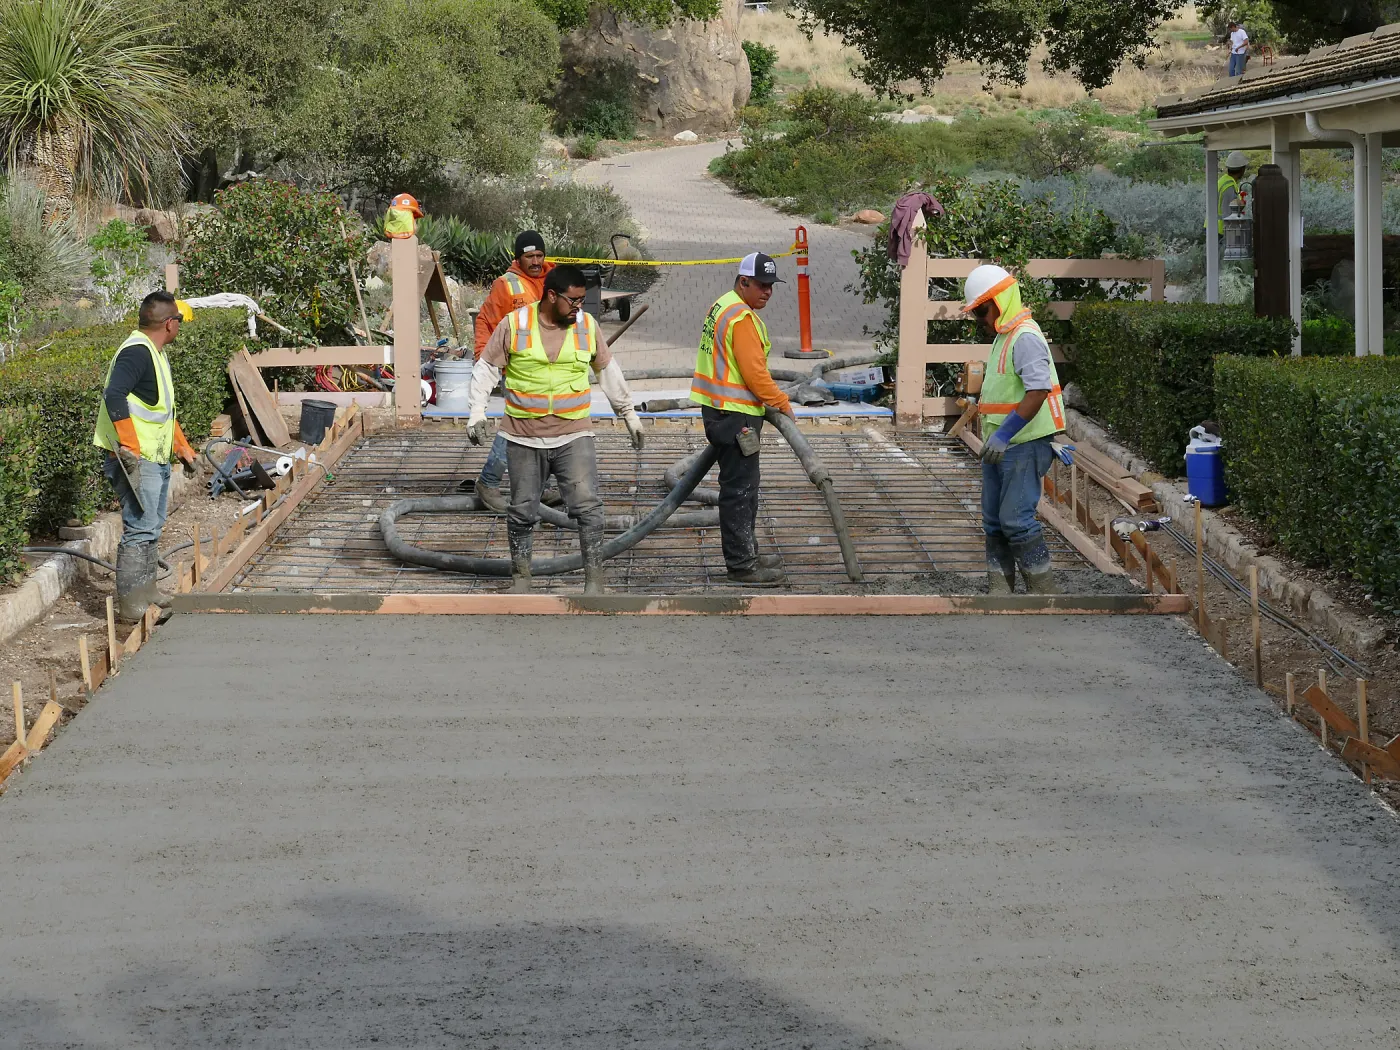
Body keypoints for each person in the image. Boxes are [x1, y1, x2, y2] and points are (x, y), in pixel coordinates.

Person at [466, 264, 644, 595]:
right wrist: (476, 412)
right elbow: (487, 369)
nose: (579, 307)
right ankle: (522, 580)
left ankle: (594, 583)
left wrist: (628, 413)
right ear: (551, 296)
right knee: (521, 511)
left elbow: (608, 370)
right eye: (574, 300)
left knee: (587, 506)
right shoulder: (515, 324)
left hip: (573, 434)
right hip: (522, 435)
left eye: (582, 300)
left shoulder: (586, 326)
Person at [689, 252, 796, 587]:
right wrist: (782, 403)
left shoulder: (723, 305)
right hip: (735, 416)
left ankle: (747, 552)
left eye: (771, 286)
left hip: (723, 411)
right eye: (761, 285)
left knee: (745, 488)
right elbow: (755, 375)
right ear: (743, 282)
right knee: (740, 490)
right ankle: (741, 566)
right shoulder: (742, 320)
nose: (767, 292)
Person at [92, 290, 199, 621]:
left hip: (156, 457)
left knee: (151, 525)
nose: (179, 328)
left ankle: (147, 591)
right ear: (169, 324)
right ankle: (132, 606)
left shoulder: (156, 353)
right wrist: (130, 447)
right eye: (178, 322)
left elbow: (161, 411)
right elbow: (114, 394)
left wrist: (181, 446)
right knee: (140, 527)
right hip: (136, 459)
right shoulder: (137, 353)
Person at [960, 265, 1067, 596]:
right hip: (1000, 445)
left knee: (1016, 520)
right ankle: (1000, 592)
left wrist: (1004, 434)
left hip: (1023, 443)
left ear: (999, 300)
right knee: (993, 521)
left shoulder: (1026, 337)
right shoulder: (1005, 337)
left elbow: (1037, 391)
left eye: (981, 310)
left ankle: (1045, 595)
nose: (979, 319)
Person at [464, 230, 557, 511]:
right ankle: (489, 481)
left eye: (540, 255)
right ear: (518, 258)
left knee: (547, 428)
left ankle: (538, 488)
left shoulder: (554, 282)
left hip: (549, 371)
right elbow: (485, 321)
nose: (536, 261)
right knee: (519, 425)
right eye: (530, 256)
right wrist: (485, 359)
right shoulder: (506, 285)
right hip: (517, 370)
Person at [1212, 150, 1250, 236]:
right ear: (1242, 169)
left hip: (1213, 227)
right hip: (1220, 230)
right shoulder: (1229, 186)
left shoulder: (1223, 181)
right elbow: (1228, 212)